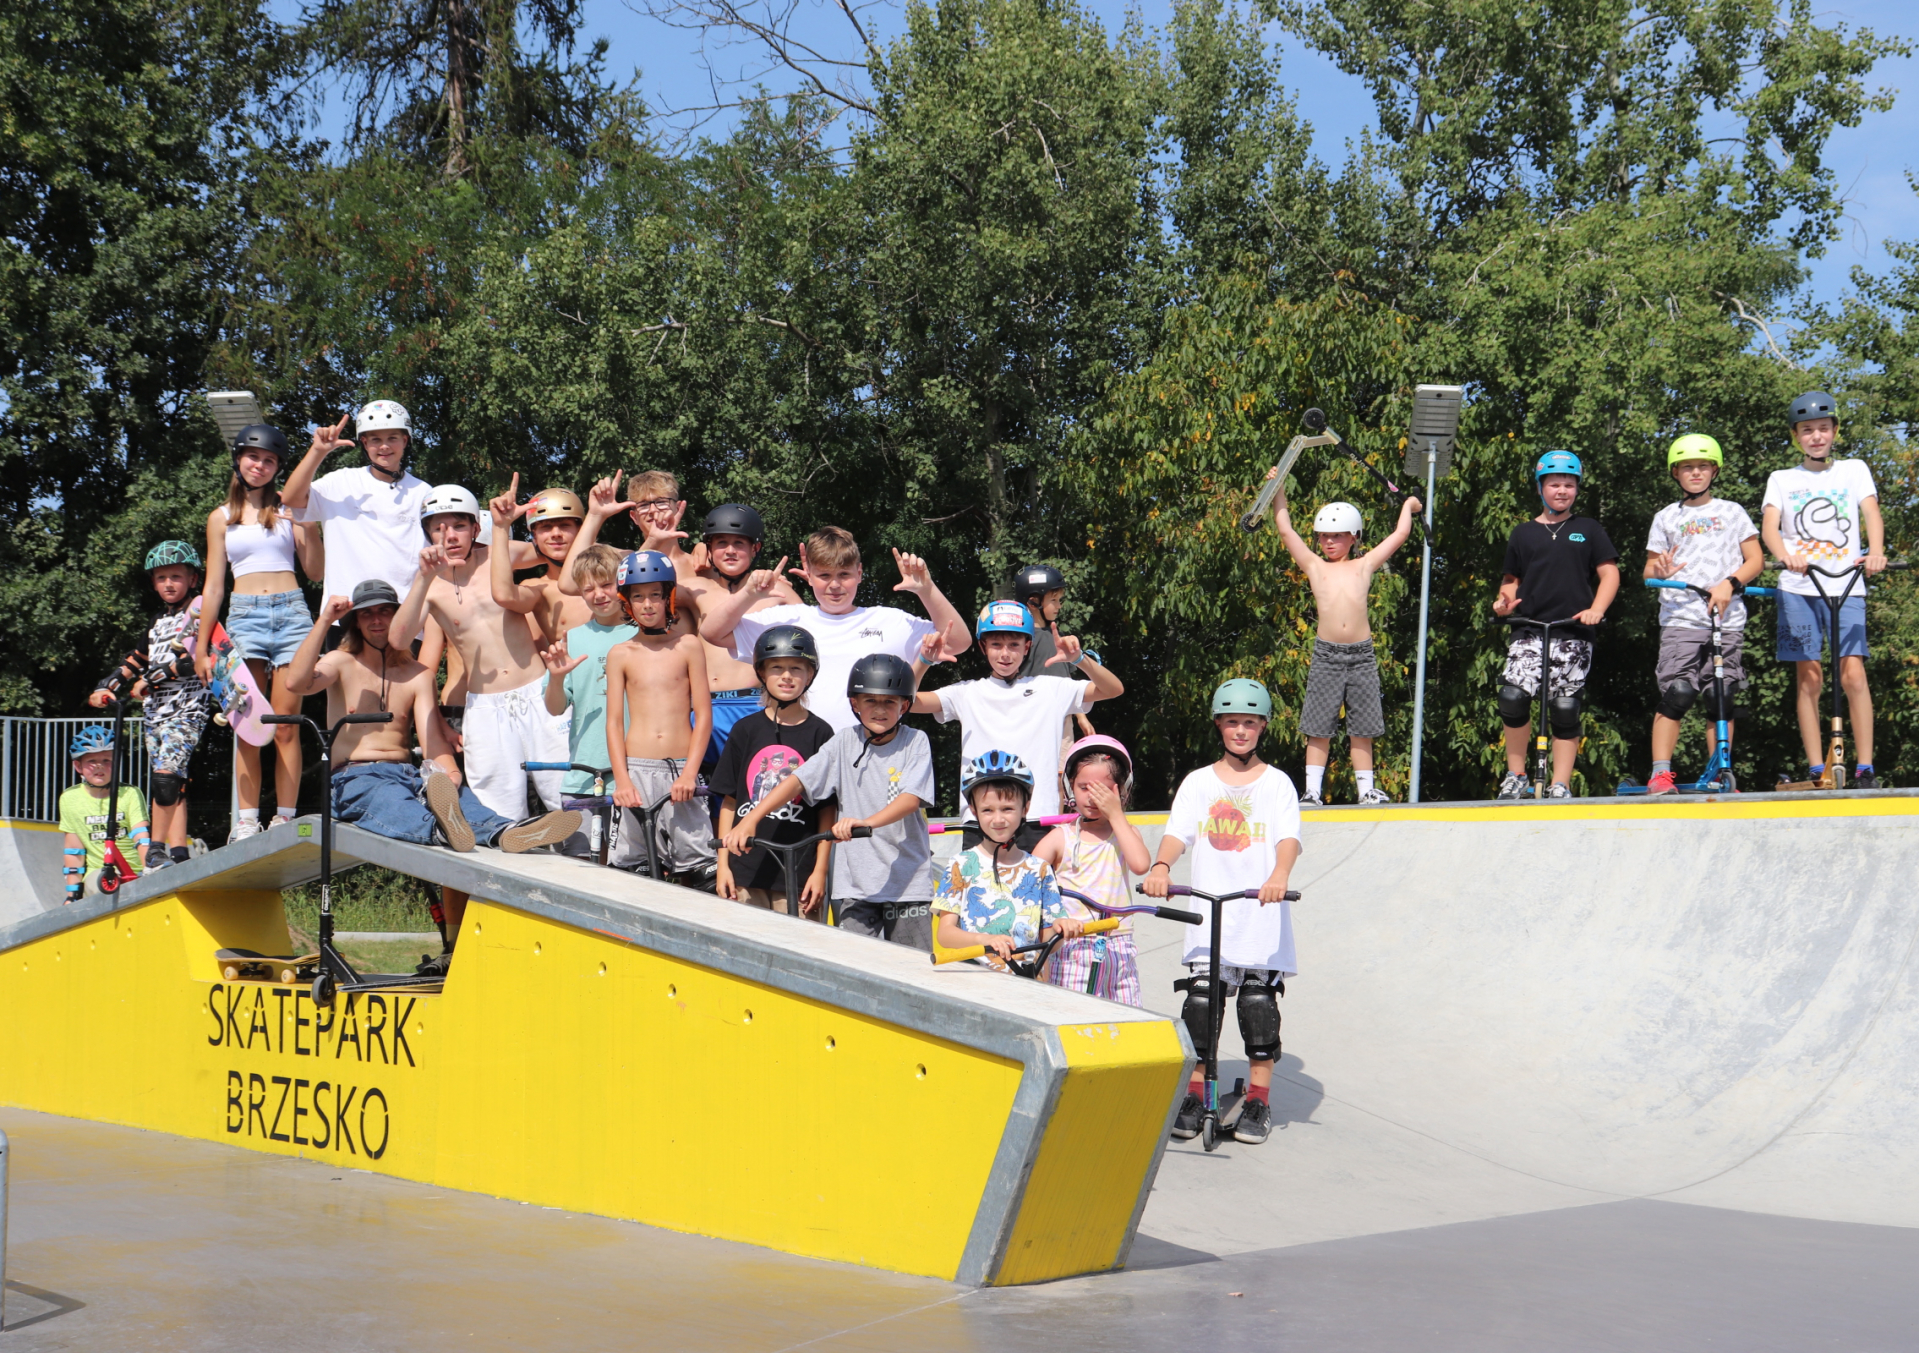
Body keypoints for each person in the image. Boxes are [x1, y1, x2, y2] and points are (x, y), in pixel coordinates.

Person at [286, 581, 580, 967]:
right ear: (355, 621)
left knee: (464, 800)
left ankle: (505, 832)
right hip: (356, 777)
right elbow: (296, 682)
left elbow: (430, 738)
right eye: (368, 613)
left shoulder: (417, 673)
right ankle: (442, 829)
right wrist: (325, 620)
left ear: (397, 617)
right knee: (391, 804)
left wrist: (450, 774)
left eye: (385, 612)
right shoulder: (341, 663)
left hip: (409, 770)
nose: (377, 620)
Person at [1142, 679, 1303, 1146]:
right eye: (1232, 722)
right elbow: (1179, 833)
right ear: (1219, 725)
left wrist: (1280, 875)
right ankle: (1195, 1094)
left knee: (1257, 1007)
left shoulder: (1277, 784)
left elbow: (1287, 839)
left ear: (1262, 727)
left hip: (1259, 917)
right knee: (1200, 1004)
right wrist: (1161, 865)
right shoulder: (1199, 782)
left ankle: (1257, 1099)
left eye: (1249, 723)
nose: (1240, 731)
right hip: (1208, 918)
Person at [722, 653, 936, 948]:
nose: (879, 709)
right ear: (854, 704)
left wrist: (866, 822)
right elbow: (796, 780)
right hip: (854, 887)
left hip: (907, 884)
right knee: (856, 972)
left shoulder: (916, 741)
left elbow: (911, 799)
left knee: (915, 971)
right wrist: (751, 819)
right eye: (870, 700)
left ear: (905, 705)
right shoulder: (843, 742)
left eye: (889, 701)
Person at [391, 484, 571, 821]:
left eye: (459, 525)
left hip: (539, 694)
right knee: (498, 812)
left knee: (568, 797)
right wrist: (422, 580)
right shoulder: (428, 585)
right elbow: (399, 640)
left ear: (476, 528)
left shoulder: (499, 555)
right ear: (427, 533)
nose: (450, 535)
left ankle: (589, 866)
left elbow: (560, 547)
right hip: (485, 708)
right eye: (438, 527)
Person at [702, 528, 970, 735]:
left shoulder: (890, 621)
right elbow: (712, 632)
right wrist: (749, 594)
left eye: (844, 574)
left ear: (860, 573)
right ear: (808, 573)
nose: (834, 585)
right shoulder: (787, 620)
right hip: (800, 758)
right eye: (824, 575)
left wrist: (927, 589)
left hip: (871, 756)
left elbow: (958, 642)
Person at [194, 423, 323, 839]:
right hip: (244, 615)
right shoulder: (221, 518)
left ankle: (284, 815)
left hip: (292, 615)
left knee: (285, 722)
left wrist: (305, 524)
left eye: (269, 460)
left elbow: (316, 571)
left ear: (277, 467)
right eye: (254, 457)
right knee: (248, 725)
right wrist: (202, 649)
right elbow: (214, 587)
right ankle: (246, 821)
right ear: (238, 459)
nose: (260, 465)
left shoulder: (289, 507)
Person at [911, 600, 1121, 849]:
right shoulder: (966, 693)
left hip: (1037, 820)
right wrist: (924, 661)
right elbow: (906, 702)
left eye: (1014, 645)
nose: (1005, 654)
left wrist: (1079, 660)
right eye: (996, 645)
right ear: (983, 646)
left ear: (1027, 646)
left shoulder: (1051, 688)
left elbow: (1113, 689)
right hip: (980, 818)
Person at [1761, 390, 1889, 788]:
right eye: (1806, 430)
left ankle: (1865, 766)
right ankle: (1817, 766)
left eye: (1822, 428)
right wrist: (1786, 555)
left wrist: (1877, 553)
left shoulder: (1854, 470)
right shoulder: (1783, 479)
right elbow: (1769, 527)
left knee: (1853, 674)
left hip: (1847, 583)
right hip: (1800, 586)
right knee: (1809, 676)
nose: (1815, 436)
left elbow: (1871, 513)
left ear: (1833, 430)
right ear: (1796, 436)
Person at [1271, 479, 1421, 805]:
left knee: (1363, 725)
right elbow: (1285, 529)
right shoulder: (1314, 566)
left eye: (1336, 535)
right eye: (1323, 535)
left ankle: (1366, 790)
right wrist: (1279, 486)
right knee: (1318, 724)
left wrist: (1409, 507)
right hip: (1327, 654)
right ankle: (1311, 790)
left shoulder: (1364, 564)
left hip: (1361, 654)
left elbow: (1400, 535)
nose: (1328, 541)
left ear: (1354, 537)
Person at [1490, 451, 1620, 799]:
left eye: (1569, 484)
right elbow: (1510, 579)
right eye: (1554, 484)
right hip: (1529, 629)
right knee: (1513, 697)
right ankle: (1516, 775)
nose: (1562, 490)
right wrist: (1504, 603)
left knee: (1565, 707)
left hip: (1573, 630)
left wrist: (1596, 609)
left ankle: (1560, 782)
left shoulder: (1587, 529)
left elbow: (1610, 574)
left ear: (1577, 488)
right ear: (1540, 488)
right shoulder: (1523, 533)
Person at [1643, 435, 1765, 794]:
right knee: (1678, 693)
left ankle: (1719, 772)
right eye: (1687, 467)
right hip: (1681, 619)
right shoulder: (1666, 517)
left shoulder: (1732, 511)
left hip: (1726, 620)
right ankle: (1661, 774)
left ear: (1714, 470)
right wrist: (1659, 571)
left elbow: (1755, 560)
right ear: (1675, 473)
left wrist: (1730, 582)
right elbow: (1648, 570)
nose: (1695, 473)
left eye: (1702, 466)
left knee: (1721, 696)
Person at [89, 541, 211, 870]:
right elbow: (137, 658)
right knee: (174, 782)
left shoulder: (200, 612)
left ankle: (154, 851)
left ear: (193, 580)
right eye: (161, 578)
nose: (168, 584)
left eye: (176, 576)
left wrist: (156, 676)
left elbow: (204, 658)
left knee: (165, 780)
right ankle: (180, 853)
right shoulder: (157, 621)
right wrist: (110, 682)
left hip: (187, 708)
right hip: (155, 714)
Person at [604, 550, 716, 881]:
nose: (648, 604)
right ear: (627, 602)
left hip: (681, 770)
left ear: (668, 598)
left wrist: (689, 774)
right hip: (636, 772)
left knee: (700, 871)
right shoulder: (620, 653)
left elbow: (704, 716)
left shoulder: (689, 646)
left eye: (655, 594)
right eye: (638, 597)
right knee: (633, 871)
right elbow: (612, 722)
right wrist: (622, 780)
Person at [711, 625, 837, 915]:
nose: (787, 676)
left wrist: (820, 871)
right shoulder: (745, 730)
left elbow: (827, 810)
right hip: (744, 872)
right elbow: (729, 800)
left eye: (796, 667)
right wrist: (723, 866)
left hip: (797, 875)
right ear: (761, 673)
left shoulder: (821, 733)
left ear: (811, 674)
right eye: (777, 667)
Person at [932, 752, 1083, 969]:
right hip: (973, 983)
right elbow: (945, 934)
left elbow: (1046, 940)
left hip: (1025, 985)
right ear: (973, 810)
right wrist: (984, 940)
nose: (998, 819)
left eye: (1008, 809)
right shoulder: (961, 864)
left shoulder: (1039, 869)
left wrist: (1060, 928)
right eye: (987, 810)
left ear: (1026, 809)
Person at [1032, 736, 1152, 1003]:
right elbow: (1027, 882)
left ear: (1122, 790)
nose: (1093, 797)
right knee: (1074, 1017)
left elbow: (1141, 864)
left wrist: (1116, 814)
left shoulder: (1124, 832)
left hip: (1120, 946)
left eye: (1103, 789)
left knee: (1127, 1020)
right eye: (1084, 787)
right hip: (1074, 945)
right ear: (1069, 787)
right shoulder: (1061, 837)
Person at [537, 543, 638, 854]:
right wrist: (555, 677)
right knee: (580, 867)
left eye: (606, 584)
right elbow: (555, 708)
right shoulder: (574, 638)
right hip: (584, 774)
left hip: (637, 772)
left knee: (635, 870)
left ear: (622, 582)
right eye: (588, 588)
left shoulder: (644, 633)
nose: (599, 595)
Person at [281, 401, 432, 606]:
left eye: (392, 438)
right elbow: (291, 499)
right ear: (364, 442)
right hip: (344, 611)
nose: (384, 446)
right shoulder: (340, 482)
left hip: (403, 612)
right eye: (375, 439)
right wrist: (317, 451)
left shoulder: (424, 492)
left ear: (405, 441)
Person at [57, 724, 150, 900]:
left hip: (135, 870)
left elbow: (141, 837)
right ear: (78, 766)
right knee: (103, 885)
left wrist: (150, 872)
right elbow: (74, 851)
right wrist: (72, 896)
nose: (99, 766)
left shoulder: (130, 793)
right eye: (92, 761)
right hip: (99, 874)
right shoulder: (69, 798)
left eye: (107, 760)